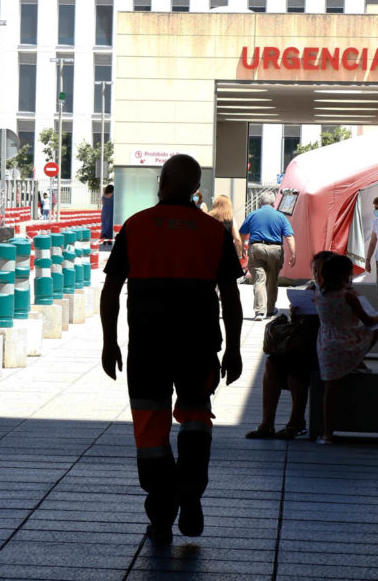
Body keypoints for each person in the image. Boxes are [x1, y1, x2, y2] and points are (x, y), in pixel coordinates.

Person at [101, 154, 244, 544]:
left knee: (151, 428)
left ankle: (162, 508)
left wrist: (109, 340)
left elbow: (111, 288)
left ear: (161, 182)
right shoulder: (212, 231)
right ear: (197, 189)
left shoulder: (136, 226)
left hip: (148, 348)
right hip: (199, 348)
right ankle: (191, 493)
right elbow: (230, 296)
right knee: (197, 419)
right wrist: (233, 348)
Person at [246, 251, 334, 440]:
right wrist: (297, 313)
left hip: (324, 351)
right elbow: (300, 326)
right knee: (272, 364)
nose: (317, 276)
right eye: (315, 271)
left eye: (321, 271)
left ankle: (296, 422)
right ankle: (267, 424)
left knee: (297, 371)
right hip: (304, 347)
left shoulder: (339, 295)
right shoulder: (312, 289)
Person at [315, 254, 378, 445]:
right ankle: (357, 360)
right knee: (377, 329)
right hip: (347, 342)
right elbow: (369, 321)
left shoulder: (318, 294)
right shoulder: (349, 296)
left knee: (330, 391)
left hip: (325, 345)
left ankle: (327, 434)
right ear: (346, 275)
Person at [239, 191, 296, 320]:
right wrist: (293, 254)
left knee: (259, 279)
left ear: (260, 203)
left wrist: (242, 247)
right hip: (275, 249)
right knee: (272, 279)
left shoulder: (253, 214)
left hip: (257, 248)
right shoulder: (280, 216)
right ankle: (270, 310)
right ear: (273, 203)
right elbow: (289, 236)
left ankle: (259, 311)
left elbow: (242, 233)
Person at [207, 195, 243, 260]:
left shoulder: (208, 218)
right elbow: (237, 239)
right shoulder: (231, 219)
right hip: (226, 253)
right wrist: (239, 254)